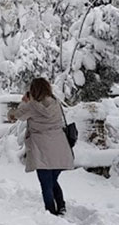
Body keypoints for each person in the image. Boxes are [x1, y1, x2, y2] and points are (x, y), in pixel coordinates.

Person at [10, 77, 74, 216]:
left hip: (41, 149)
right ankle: (61, 206)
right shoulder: (56, 103)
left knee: (46, 184)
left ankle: (51, 212)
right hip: (60, 148)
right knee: (53, 180)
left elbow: (17, 115)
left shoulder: (32, 106)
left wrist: (24, 101)